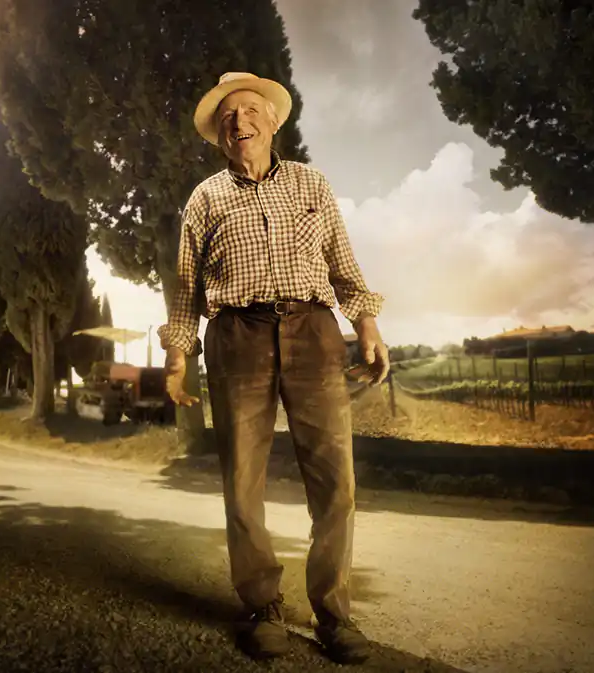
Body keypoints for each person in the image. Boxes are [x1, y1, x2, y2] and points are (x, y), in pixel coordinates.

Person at [158, 72, 390, 664]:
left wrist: (367, 325)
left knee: (335, 482)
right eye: (228, 118)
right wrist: (178, 355)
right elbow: (185, 289)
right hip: (236, 336)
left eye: (250, 111)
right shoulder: (205, 198)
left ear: (272, 121)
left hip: (313, 332)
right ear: (219, 136)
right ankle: (262, 607)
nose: (240, 122)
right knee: (243, 482)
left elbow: (343, 265)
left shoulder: (312, 184)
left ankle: (334, 614)